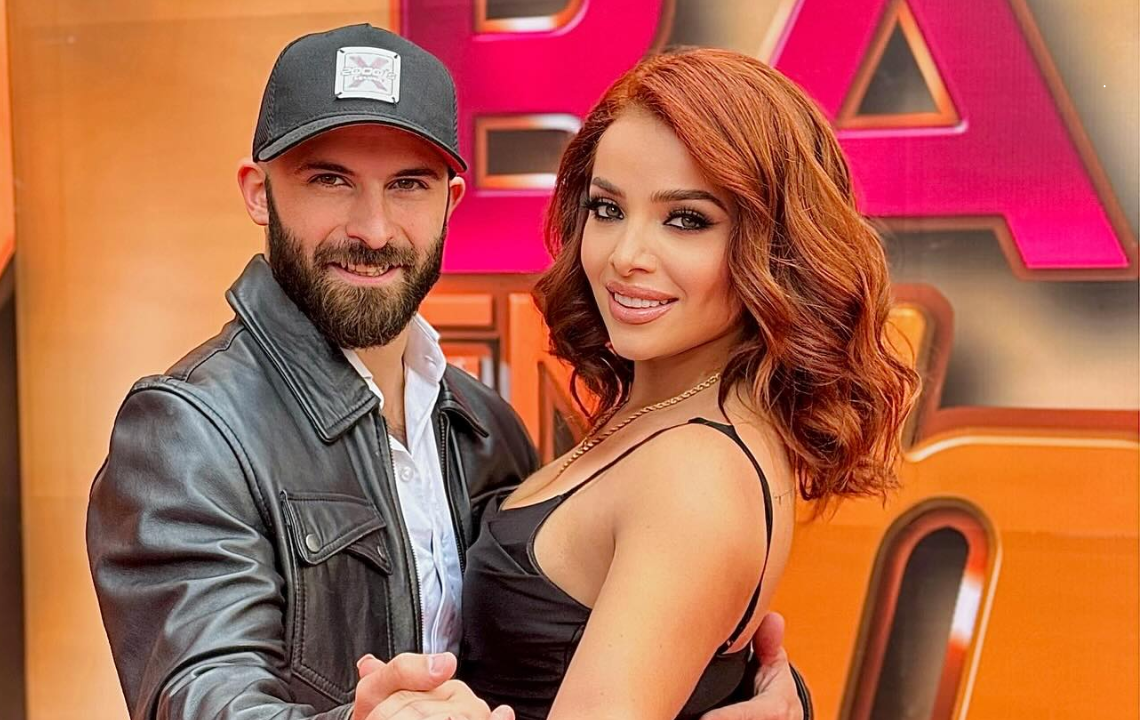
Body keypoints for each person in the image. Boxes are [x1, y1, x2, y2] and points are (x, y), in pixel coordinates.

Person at [86, 25, 811, 720]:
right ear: (258, 191)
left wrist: (725, 682)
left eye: (408, 184)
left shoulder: (483, 423)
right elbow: (196, 696)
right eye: (330, 180)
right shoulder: (188, 432)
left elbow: (567, 639)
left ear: (449, 202)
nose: (373, 230)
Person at [354, 48, 918, 719]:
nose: (626, 256)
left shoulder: (697, 471)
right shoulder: (663, 417)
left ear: (775, 245)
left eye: (687, 219)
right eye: (608, 209)